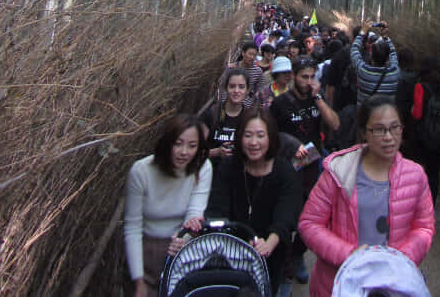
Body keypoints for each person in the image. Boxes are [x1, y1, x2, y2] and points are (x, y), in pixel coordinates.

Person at [298, 95, 435, 297]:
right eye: (379, 129)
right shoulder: (339, 171)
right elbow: (309, 223)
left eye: (394, 127)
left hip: (394, 285)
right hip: (339, 284)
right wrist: (350, 255)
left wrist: (400, 259)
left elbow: (423, 226)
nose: (388, 137)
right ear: (364, 132)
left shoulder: (415, 175)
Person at [206, 107, 303, 295]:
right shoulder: (229, 167)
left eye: (260, 136)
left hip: (269, 255)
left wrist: (269, 243)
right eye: (248, 135)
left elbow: (286, 215)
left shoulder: (284, 172)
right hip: (231, 253)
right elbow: (217, 207)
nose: (254, 143)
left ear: (271, 137)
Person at [124, 115, 212, 297]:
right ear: (167, 143)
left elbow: (195, 213)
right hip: (145, 247)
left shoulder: (203, 168)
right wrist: (138, 281)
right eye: (178, 144)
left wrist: (183, 238)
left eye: (192, 146)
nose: (184, 152)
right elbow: (132, 227)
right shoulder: (141, 171)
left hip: (179, 248)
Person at [270, 55, 340, 284]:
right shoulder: (281, 103)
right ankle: (284, 261)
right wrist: (291, 145)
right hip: (287, 164)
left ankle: (297, 254)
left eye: (312, 77)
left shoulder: (315, 100)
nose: (308, 81)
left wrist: (318, 97)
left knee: (312, 216)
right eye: (304, 77)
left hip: (312, 163)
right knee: (286, 214)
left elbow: (335, 123)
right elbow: (270, 134)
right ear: (293, 76)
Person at [411, 56, 440, 203]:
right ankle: (430, 202)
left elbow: (417, 114)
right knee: (434, 174)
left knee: (419, 169)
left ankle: (417, 201)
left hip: (424, 138)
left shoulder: (421, 87)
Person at [200, 69, 249, 165]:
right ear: (226, 88)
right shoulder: (212, 113)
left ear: (247, 90)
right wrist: (216, 152)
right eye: (232, 86)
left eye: (241, 87)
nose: (236, 91)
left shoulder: (250, 117)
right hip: (212, 171)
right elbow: (196, 150)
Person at [350, 22, 400, 104]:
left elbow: (354, 50)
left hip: (366, 115)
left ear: (371, 57)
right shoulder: (394, 72)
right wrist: (385, 36)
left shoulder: (364, 71)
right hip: (386, 114)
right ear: (387, 58)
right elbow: (393, 53)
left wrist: (362, 32)